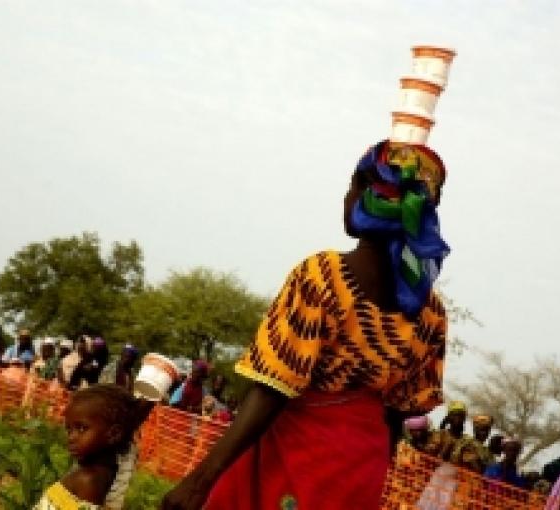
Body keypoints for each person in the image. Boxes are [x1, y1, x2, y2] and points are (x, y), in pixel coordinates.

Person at [161, 140, 449, 510]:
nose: (346, 197)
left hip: (298, 453)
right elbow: (401, 410)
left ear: (366, 195)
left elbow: (273, 387)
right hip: (361, 467)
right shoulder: (431, 312)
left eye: (352, 186)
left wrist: (200, 481)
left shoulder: (323, 277)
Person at [34, 384, 153, 510]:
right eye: (69, 429)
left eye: (81, 428)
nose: (71, 437)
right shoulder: (96, 475)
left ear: (114, 434)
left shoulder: (89, 480)